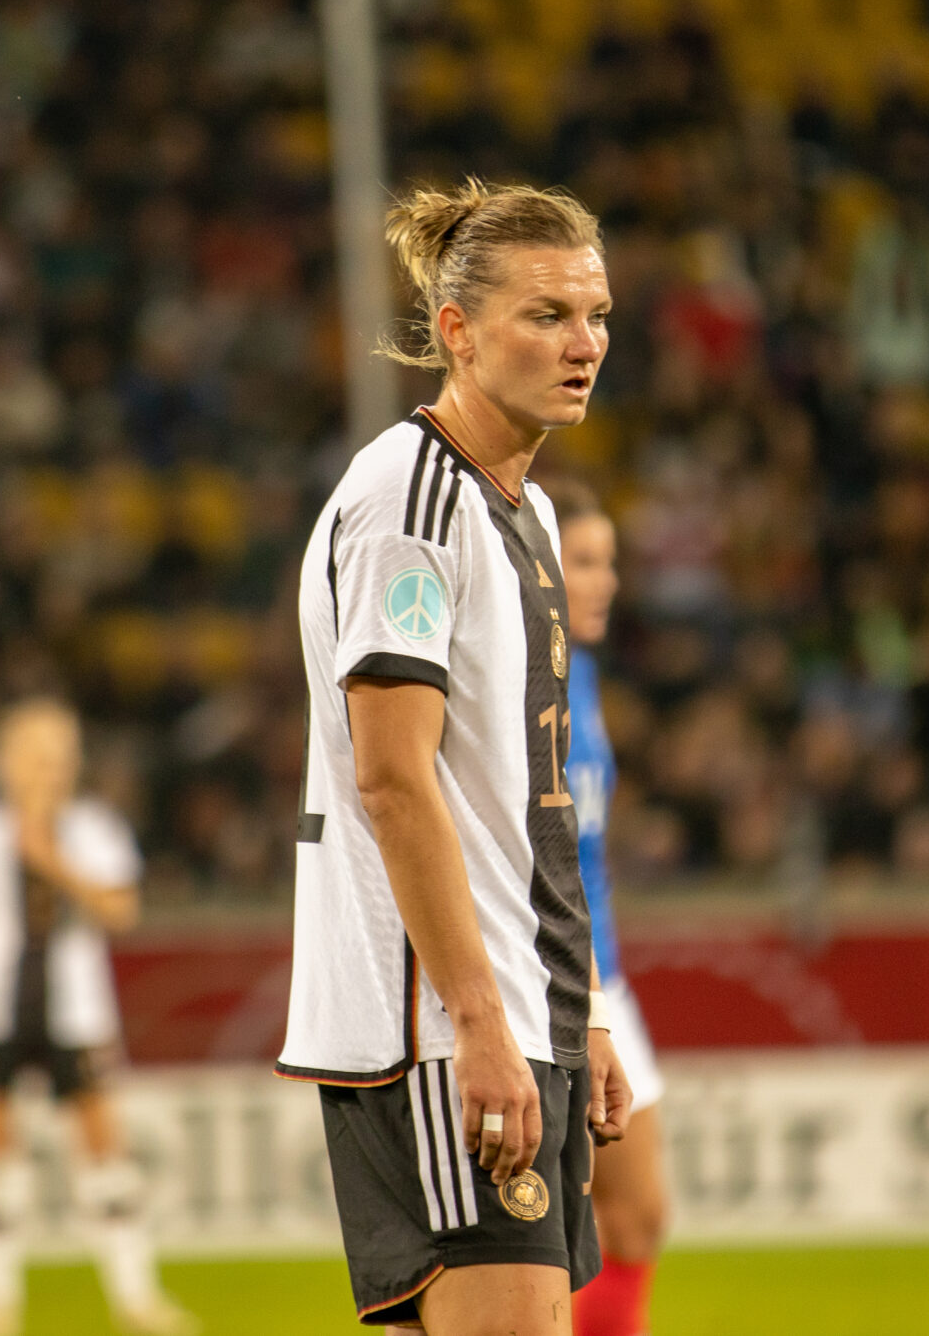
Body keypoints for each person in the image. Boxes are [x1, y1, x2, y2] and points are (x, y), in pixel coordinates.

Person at [280, 179, 632, 1333]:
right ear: (457, 331)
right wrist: (479, 1022)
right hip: (436, 1021)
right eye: (547, 315)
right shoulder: (410, 502)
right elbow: (392, 779)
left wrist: (576, 1011)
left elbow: (523, 800)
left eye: (596, 316)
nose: (583, 344)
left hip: (514, 1005)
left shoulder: (522, 510)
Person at [0, 700, 191, 1336]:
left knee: (105, 1153)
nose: (53, 770)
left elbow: (121, 912)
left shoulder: (95, 830)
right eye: (39, 757)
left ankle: (136, 1297)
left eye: (63, 757)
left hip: (77, 1009)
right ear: (6, 763)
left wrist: (54, 862)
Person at [546, 481, 671, 1336]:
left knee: (638, 1217)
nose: (607, 580)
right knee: (556, 1237)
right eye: (585, 560)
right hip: (554, 978)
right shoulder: (522, 675)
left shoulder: (581, 671)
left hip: (602, 972)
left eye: (610, 561)